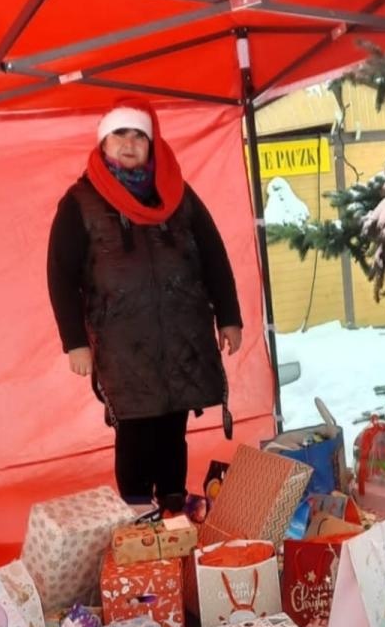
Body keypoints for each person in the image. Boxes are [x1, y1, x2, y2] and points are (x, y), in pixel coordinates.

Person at [47, 99, 243, 511]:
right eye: (120, 134)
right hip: (123, 345)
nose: (130, 143)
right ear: (103, 143)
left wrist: (229, 317)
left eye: (139, 135)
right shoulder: (80, 202)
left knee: (173, 428)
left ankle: (172, 513)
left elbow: (213, 255)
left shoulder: (177, 194)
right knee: (135, 431)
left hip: (183, 336)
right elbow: (61, 275)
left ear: (151, 144)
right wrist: (75, 342)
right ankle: (138, 516)